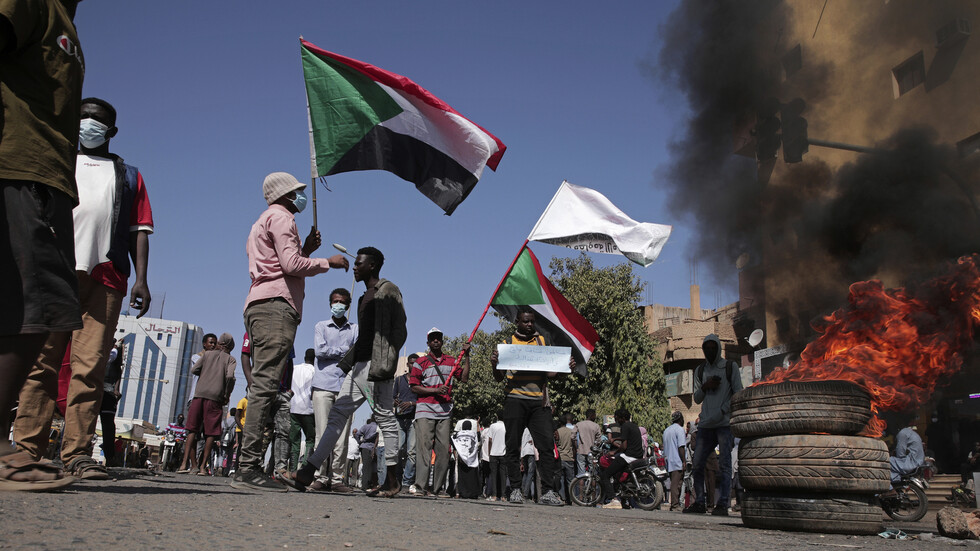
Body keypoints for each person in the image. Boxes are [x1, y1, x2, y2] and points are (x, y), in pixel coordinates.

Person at [13, 96, 154, 482]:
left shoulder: (128, 175)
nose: (88, 124)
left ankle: (76, 454)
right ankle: (26, 449)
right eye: (83, 118)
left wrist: (140, 278)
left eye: (97, 120)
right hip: (54, 273)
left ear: (112, 131)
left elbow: (139, 230)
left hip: (106, 278)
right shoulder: (56, 160)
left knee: (89, 368)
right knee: (42, 362)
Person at [0, 0, 84, 491]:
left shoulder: (65, 19)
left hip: (45, 180)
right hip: (19, 170)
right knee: (35, 307)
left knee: (28, 310)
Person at [231, 172, 348, 492]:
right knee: (266, 385)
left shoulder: (262, 221)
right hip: (275, 307)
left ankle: (251, 464)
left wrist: (305, 249)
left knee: (266, 384)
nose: (301, 195)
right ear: (285, 194)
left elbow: (282, 263)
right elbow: (292, 266)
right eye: (297, 191)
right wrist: (328, 262)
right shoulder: (282, 218)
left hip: (261, 303)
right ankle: (248, 466)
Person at [293, 247, 407, 498]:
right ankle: (309, 470)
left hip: (375, 367)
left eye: (359, 263)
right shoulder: (365, 295)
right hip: (359, 368)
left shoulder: (388, 290)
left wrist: (386, 362)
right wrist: (348, 364)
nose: (354, 267)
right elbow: (365, 337)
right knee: (337, 416)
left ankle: (392, 480)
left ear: (373, 265)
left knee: (385, 418)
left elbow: (399, 330)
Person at [489, 309, 574, 506]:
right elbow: (499, 377)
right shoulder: (508, 345)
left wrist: (564, 369)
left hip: (539, 403)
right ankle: (516, 489)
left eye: (532, 322)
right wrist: (494, 364)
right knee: (513, 446)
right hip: (515, 400)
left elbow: (551, 374)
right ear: (517, 321)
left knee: (546, 448)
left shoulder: (542, 343)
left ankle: (548, 492)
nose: (530, 325)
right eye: (526, 322)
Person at [684, 334, 743, 516]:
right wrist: (705, 386)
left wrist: (724, 410)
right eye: (706, 348)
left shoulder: (729, 367)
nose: (710, 351)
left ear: (718, 348)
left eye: (713, 348)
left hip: (724, 424)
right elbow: (697, 398)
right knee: (698, 465)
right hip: (706, 425)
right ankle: (700, 502)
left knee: (725, 465)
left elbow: (738, 392)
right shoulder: (700, 370)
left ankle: (723, 503)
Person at [409, 328, 470, 496]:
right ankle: (421, 487)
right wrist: (435, 391)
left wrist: (466, 356)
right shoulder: (420, 362)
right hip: (424, 410)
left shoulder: (452, 361)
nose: (436, 341)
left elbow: (464, 378)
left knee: (444, 450)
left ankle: (436, 489)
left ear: (442, 342)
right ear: (428, 343)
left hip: (444, 411)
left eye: (439, 338)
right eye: (432, 339)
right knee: (424, 449)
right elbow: (414, 387)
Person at [311, 288, 358, 492]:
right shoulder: (321, 326)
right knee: (322, 433)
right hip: (323, 385)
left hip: (346, 387)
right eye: (335, 301)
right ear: (330, 304)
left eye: (342, 302)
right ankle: (319, 476)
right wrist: (343, 353)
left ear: (348, 306)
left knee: (342, 436)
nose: (338, 305)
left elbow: (356, 355)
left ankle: (337, 478)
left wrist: (341, 354)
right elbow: (320, 351)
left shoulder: (355, 329)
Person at [179, 333, 236, 475]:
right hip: (215, 397)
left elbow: (194, 370)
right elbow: (230, 376)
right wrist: (226, 393)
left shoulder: (207, 355)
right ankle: (203, 466)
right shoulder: (230, 359)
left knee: (192, 430)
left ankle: (185, 464)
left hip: (198, 395)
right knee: (210, 433)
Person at [600, 408, 644, 509]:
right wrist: (616, 439)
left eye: (617, 418)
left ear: (622, 418)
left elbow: (623, 446)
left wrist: (614, 452)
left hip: (628, 456)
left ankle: (613, 499)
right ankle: (624, 501)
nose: (616, 421)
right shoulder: (634, 426)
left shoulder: (624, 426)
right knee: (619, 475)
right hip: (638, 456)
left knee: (606, 475)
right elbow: (628, 438)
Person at [394, 354, 419, 493]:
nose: (413, 365)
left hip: (413, 419)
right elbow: (392, 397)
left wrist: (411, 403)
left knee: (411, 452)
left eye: (416, 363)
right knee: (396, 449)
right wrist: (395, 402)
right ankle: (396, 478)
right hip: (400, 418)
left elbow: (423, 400)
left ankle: (406, 481)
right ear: (407, 364)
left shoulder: (420, 382)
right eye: (411, 363)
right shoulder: (399, 380)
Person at [289, 349, 316, 473]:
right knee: (311, 439)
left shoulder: (294, 368)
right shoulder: (315, 371)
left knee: (295, 441)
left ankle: (293, 469)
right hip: (308, 410)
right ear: (314, 358)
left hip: (293, 408)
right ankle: (304, 470)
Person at [100, 340, 124, 466]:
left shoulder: (114, 361)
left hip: (108, 394)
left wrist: (116, 390)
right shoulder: (102, 354)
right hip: (98, 391)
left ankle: (109, 456)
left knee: (108, 425)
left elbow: (118, 373)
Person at [889, 415, 925, 484]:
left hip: (911, 464)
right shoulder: (912, 433)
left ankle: (891, 488)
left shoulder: (903, 433)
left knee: (886, 462)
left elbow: (900, 454)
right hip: (918, 462)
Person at [663, 411, 687, 511]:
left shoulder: (666, 430)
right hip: (677, 460)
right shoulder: (680, 430)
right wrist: (684, 461)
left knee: (674, 482)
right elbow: (681, 446)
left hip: (669, 460)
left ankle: (674, 503)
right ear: (681, 419)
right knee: (676, 484)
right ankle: (675, 505)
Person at [453, 420, 481, 499]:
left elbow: (454, 444)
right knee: (472, 476)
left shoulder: (458, 435)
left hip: (461, 459)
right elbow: (478, 442)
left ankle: (463, 493)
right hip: (472, 458)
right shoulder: (474, 434)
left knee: (462, 477)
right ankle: (473, 493)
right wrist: (478, 425)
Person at [556, 413, 577, 503]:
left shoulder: (557, 432)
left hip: (560, 457)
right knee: (570, 480)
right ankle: (572, 498)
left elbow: (556, 444)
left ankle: (562, 498)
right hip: (569, 458)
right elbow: (574, 445)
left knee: (560, 479)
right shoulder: (571, 432)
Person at [484, 417, 507, 501]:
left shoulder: (493, 426)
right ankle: (503, 496)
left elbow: (490, 440)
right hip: (503, 452)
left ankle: (494, 495)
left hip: (493, 452)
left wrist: (489, 452)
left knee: (493, 474)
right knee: (503, 474)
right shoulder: (506, 426)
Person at [575, 409, 601, 475]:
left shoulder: (579, 424)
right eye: (594, 415)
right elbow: (599, 440)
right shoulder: (596, 426)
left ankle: (581, 485)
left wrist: (576, 447)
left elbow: (572, 437)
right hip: (592, 453)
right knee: (593, 473)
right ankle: (592, 485)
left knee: (581, 473)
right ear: (592, 415)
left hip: (581, 451)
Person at [357, 418, 379, 491]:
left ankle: (365, 484)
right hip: (372, 448)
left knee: (366, 466)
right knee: (372, 467)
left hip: (364, 447)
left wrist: (360, 442)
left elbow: (357, 434)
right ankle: (367, 485)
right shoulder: (377, 427)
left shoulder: (365, 426)